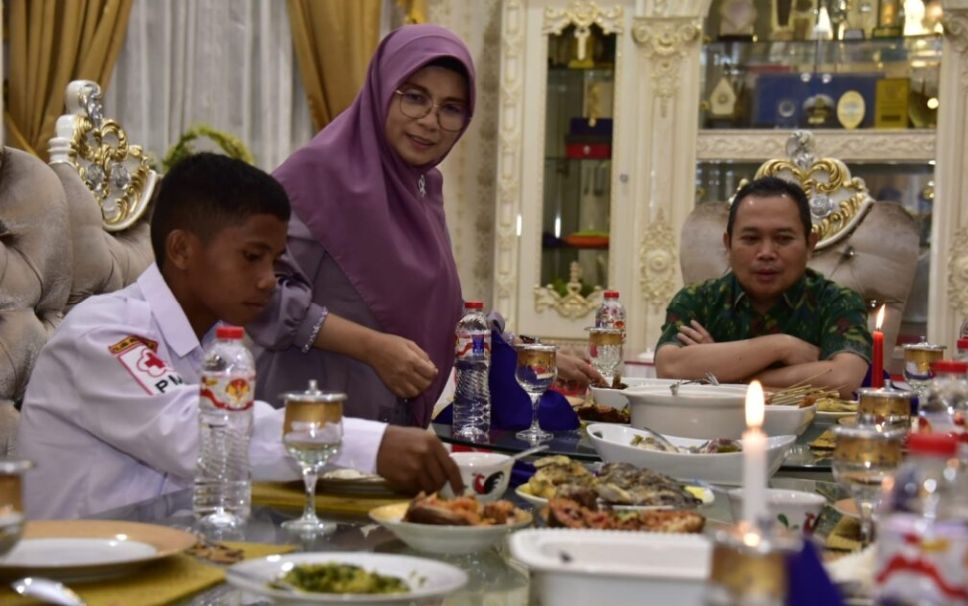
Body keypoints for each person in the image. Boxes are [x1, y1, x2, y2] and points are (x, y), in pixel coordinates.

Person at [16, 153, 462, 519]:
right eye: (252, 257)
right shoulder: (105, 335)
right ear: (182, 249)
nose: (269, 280)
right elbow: (203, 435)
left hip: (176, 564)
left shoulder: (220, 346)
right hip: (77, 584)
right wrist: (372, 443)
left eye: (274, 260)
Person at [250, 24, 599, 427]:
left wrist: (527, 354)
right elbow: (261, 296)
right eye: (415, 97)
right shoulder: (314, 176)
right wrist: (372, 348)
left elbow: (432, 310)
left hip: (386, 432)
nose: (430, 121)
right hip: (308, 426)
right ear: (382, 91)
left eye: (451, 108)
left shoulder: (421, 188)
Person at [654, 176, 871, 398]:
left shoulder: (838, 301)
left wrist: (724, 375)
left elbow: (843, 379)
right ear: (728, 244)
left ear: (810, 244)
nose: (766, 252)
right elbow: (670, 367)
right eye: (751, 239)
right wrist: (781, 346)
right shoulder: (697, 300)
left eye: (783, 239)